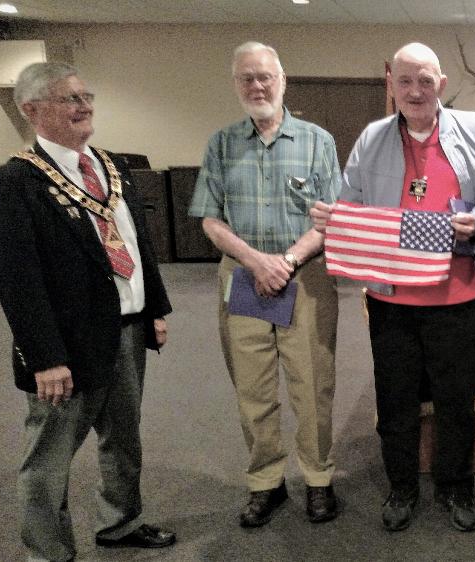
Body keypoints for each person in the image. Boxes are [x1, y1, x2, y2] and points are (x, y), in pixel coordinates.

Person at [310, 42, 475, 533]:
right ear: (391, 85)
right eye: (405, 81)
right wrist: (334, 220)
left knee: (454, 402)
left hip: (459, 295)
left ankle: (456, 487)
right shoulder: (372, 138)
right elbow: (351, 203)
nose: (416, 91)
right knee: (396, 400)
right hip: (391, 300)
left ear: (441, 84)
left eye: (425, 80)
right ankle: (402, 487)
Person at [0, 62, 175, 562]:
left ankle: (120, 521)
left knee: (123, 439)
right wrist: (44, 357)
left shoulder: (110, 166)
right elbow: (16, 282)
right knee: (48, 457)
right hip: (64, 347)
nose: (83, 105)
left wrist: (153, 306)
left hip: (127, 330)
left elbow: (138, 245)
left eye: (85, 96)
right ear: (31, 110)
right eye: (68, 99)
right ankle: (48, 552)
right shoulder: (11, 184)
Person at [188, 42, 342, 527]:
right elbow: (210, 220)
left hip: (306, 277)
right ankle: (265, 483)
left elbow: (331, 220)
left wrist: (287, 260)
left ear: (283, 81)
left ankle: (318, 479)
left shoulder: (318, 141)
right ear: (236, 84)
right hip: (243, 278)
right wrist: (257, 262)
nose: (257, 86)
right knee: (252, 386)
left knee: (312, 382)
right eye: (246, 78)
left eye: (265, 77)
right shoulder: (221, 144)